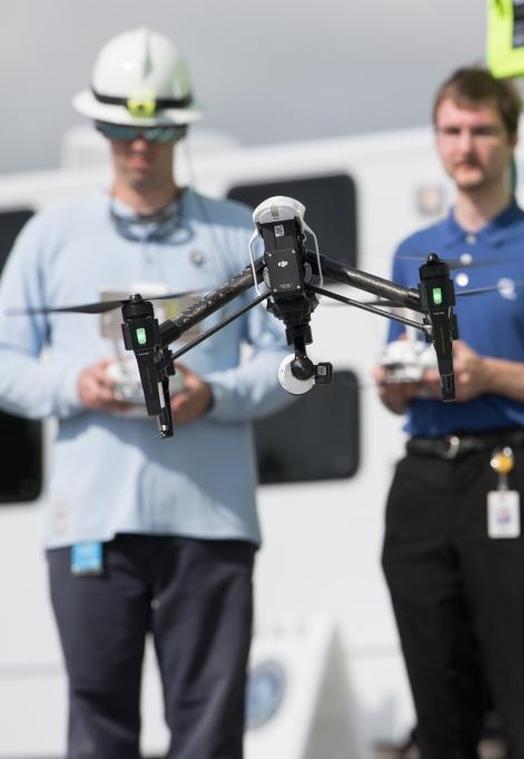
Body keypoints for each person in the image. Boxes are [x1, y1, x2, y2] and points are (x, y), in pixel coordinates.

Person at [0, 28, 290, 759]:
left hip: (211, 521)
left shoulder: (237, 236)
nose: (140, 146)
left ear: (179, 129)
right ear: (100, 128)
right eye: (123, 129)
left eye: (157, 129)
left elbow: (290, 358)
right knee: (98, 725)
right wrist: (77, 384)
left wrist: (212, 394)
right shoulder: (50, 238)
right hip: (91, 520)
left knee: (209, 729)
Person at [373, 67, 524, 758]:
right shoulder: (411, 252)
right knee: (436, 690)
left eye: (482, 130)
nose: (466, 146)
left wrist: (490, 374)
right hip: (423, 476)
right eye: (452, 131)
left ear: (510, 139)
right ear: (436, 140)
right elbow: (398, 374)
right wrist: (395, 384)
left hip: (512, 470)